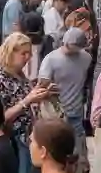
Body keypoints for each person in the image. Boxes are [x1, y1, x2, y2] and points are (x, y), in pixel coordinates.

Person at [0, 34, 54, 173]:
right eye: (23, 53)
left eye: (29, 53)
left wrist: (40, 94)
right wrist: (27, 101)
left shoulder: (19, 74)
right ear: (11, 52)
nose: (27, 58)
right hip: (14, 140)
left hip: (27, 137)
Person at [38, 28, 93, 156]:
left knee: (76, 149)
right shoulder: (51, 59)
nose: (69, 47)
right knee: (59, 148)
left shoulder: (86, 58)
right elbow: (41, 86)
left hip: (76, 111)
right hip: (57, 113)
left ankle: (78, 172)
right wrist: (47, 89)